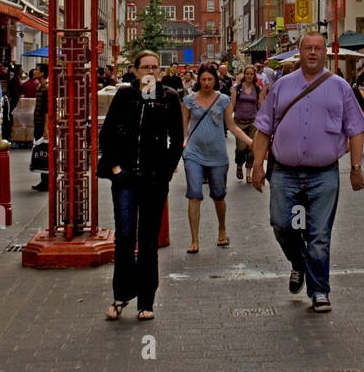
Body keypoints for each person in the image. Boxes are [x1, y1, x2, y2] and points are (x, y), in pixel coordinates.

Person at [251, 32, 364, 312]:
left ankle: (319, 291)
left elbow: (356, 129)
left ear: (324, 53)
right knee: (283, 225)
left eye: (318, 48)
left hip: (323, 173)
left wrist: (356, 168)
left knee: (318, 234)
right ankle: (299, 263)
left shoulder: (340, 87)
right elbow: (264, 127)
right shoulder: (282, 86)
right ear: (299, 52)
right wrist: (257, 165)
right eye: (308, 48)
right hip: (285, 172)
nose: (313, 53)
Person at [98, 52, 184, 320]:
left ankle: (146, 301)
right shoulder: (124, 96)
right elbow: (108, 133)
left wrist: (166, 172)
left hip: (153, 179)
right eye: (145, 67)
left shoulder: (168, 97)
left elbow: (177, 138)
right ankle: (121, 296)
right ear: (135, 70)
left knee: (148, 241)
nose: (150, 71)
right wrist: (115, 168)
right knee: (124, 238)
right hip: (126, 178)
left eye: (155, 67)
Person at [182, 63, 251, 252]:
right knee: (194, 194)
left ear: (215, 80)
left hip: (217, 154)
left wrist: (252, 143)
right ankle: (194, 239)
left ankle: (222, 229)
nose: (206, 83)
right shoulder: (189, 100)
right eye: (203, 79)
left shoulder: (223, 100)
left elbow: (232, 126)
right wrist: (181, 148)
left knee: (218, 195)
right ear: (198, 80)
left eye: (209, 79)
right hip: (194, 153)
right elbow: (184, 129)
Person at [231, 64, 265, 182]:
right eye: (247, 74)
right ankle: (239, 165)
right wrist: (228, 119)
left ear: (254, 75)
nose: (249, 76)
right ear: (244, 75)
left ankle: (248, 173)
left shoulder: (257, 89)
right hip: (239, 121)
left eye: (251, 74)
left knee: (252, 148)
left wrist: (264, 120)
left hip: (253, 122)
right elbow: (232, 104)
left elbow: (261, 105)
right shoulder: (238, 88)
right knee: (241, 148)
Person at [31, 66, 50, 192]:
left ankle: (46, 181)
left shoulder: (46, 88)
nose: (34, 71)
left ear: (43, 73)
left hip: (43, 124)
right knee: (40, 151)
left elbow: (47, 110)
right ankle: (43, 180)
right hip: (38, 123)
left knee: (44, 152)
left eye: (37, 69)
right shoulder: (39, 86)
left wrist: (46, 128)